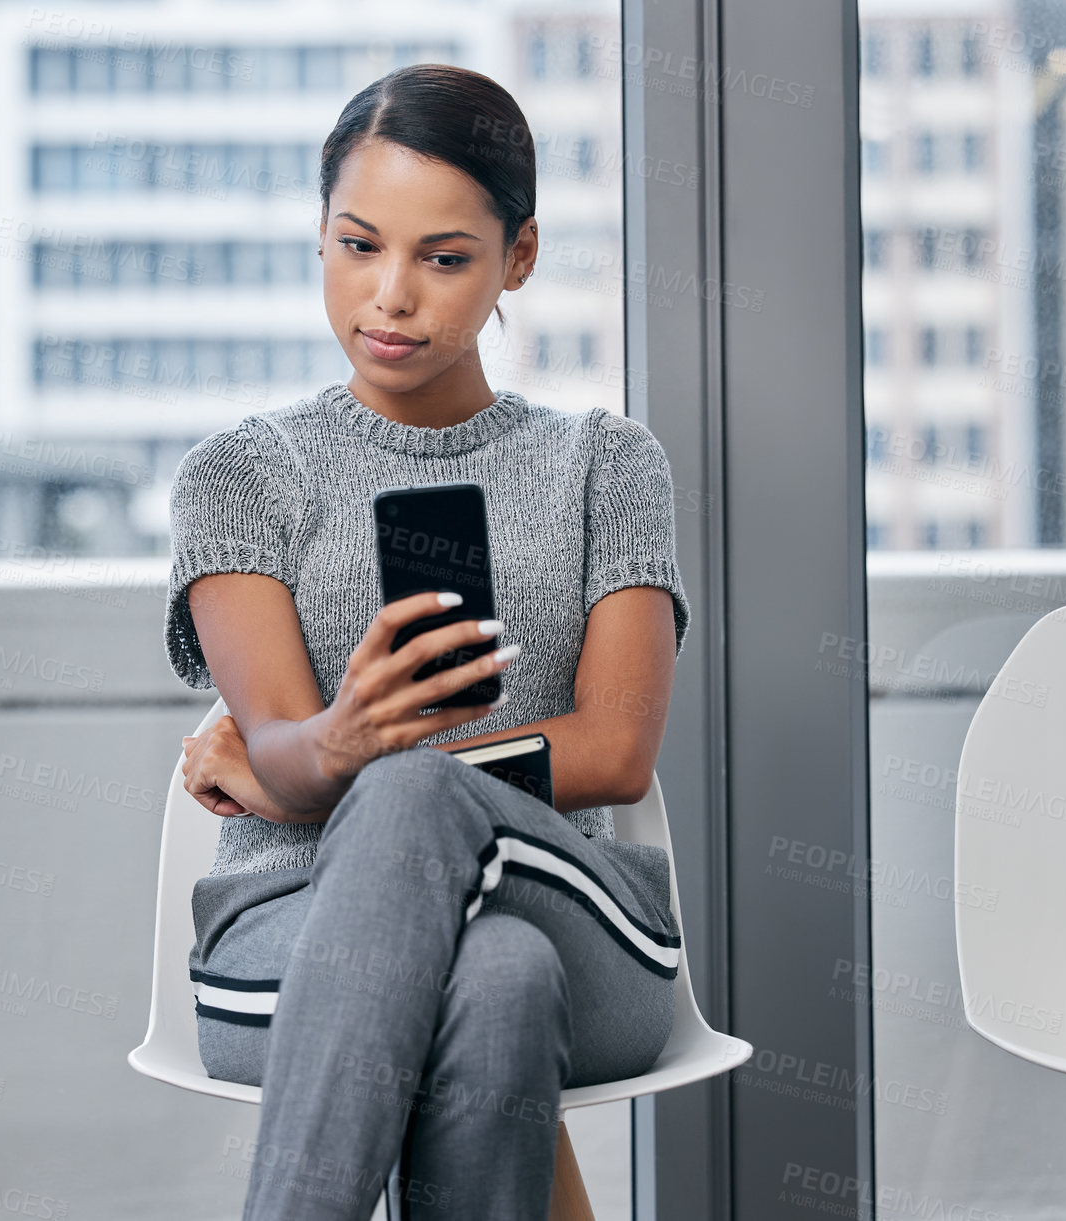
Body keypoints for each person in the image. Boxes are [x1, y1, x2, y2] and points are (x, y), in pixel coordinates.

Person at [164, 62, 688, 1221]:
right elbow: (290, 756)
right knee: (495, 980)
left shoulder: (606, 465)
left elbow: (611, 753)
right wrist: (331, 746)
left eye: (442, 259)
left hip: (574, 906)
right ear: (319, 238)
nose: (389, 295)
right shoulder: (240, 477)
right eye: (357, 246)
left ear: (520, 258)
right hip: (285, 938)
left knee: (415, 807)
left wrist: (365, 773)